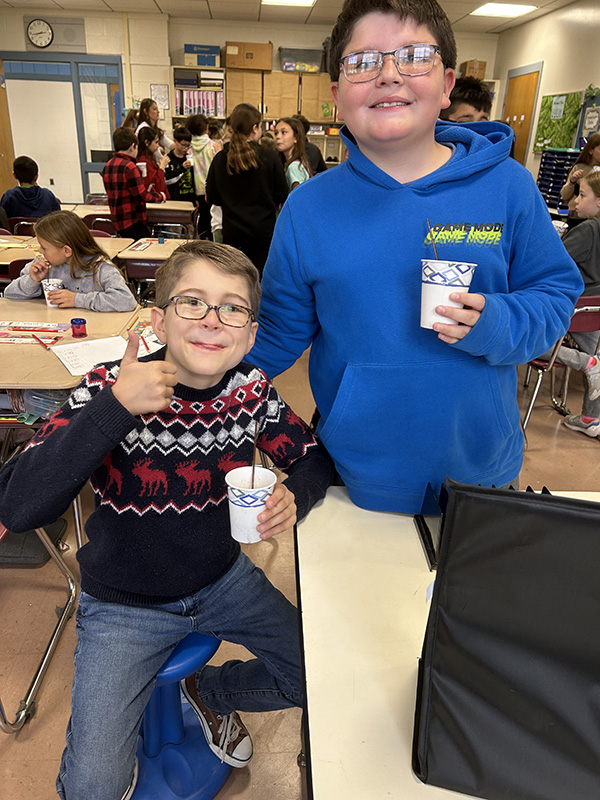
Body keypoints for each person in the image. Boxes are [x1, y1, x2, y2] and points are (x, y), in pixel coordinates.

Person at [0, 239, 334, 800]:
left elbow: (313, 456)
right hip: (122, 604)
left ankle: (211, 692)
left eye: (233, 307)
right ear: (157, 319)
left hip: (223, 580)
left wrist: (295, 494)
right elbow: (19, 503)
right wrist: (115, 408)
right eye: (192, 302)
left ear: (250, 334)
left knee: (320, 674)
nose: (212, 320)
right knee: (90, 788)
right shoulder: (110, 387)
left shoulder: (251, 390)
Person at [249, 0, 583, 514]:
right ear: (337, 95)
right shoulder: (308, 207)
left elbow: (555, 296)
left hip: (479, 474)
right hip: (349, 471)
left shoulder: (507, 186)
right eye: (363, 62)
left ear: (447, 84)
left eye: (414, 56)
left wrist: (496, 321)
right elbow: (276, 334)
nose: (387, 75)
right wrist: (185, 365)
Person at [547, 169, 600, 438]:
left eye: (582, 195)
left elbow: (555, 259)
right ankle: (592, 418)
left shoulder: (590, 228)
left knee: (527, 339)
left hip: (571, 307)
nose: (576, 202)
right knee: (596, 358)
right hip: (594, 312)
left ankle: (584, 362)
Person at [206, 104, 288, 275]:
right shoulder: (270, 157)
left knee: (236, 282)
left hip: (233, 234)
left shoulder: (221, 159)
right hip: (263, 234)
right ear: (255, 128)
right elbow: (282, 194)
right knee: (260, 282)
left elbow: (213, 197)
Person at [3, 210, 136, 311]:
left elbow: (126, 301)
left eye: (44, 247)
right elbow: (9, 294)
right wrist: (32, 281)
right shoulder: (43, 265)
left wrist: (77, 299)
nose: (40, 251)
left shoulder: (100, 268)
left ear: (67, 251)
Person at [102, 126, 164, 240]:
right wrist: (160, 196)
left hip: (118, 220)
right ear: (132, 146)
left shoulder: (108, 165)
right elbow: (141, 194)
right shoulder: (130, 167)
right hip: (132, 220)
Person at [186, 114, 220, 238]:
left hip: (196, 190)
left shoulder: (189, 148)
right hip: (211, 188)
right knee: (213, 219)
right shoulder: (214, 146)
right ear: (206, 128)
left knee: (201, 218)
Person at [560, 132, 600, 230]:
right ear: (591, 150)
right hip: (576, 217)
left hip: (594, 221)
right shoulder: (579, 168)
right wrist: (572, 182)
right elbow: (564, 196)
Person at [0, 155, 60, 220]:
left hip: (16, 230)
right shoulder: (48, 194)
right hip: (43, 230)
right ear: (36, 177)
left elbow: (3, 221)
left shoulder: (9, 196)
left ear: (14, 175)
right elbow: (59, 218)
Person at [274, 117, 312, 190]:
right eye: (276, 133)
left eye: (283, 132)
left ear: (296, 138)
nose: (278, 137)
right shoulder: (298, 162)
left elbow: (297, 197)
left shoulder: (293, 166)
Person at [164, 126, 197, 203]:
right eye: (183, 145)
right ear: (175, 141)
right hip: (175, 200)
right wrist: (182, 168)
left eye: (188, 146)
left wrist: (195, 198)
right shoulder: (168, 159)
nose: (185, 148)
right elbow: (167, 180)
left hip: (190, 199)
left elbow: (193, 179)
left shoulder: (189, 157)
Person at [136, 126, 169, 200]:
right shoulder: (144, 161)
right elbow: (154, 184)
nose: (158, 146)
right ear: (147, 142)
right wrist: (162, 167)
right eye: (156, 142)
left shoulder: (150, 157)